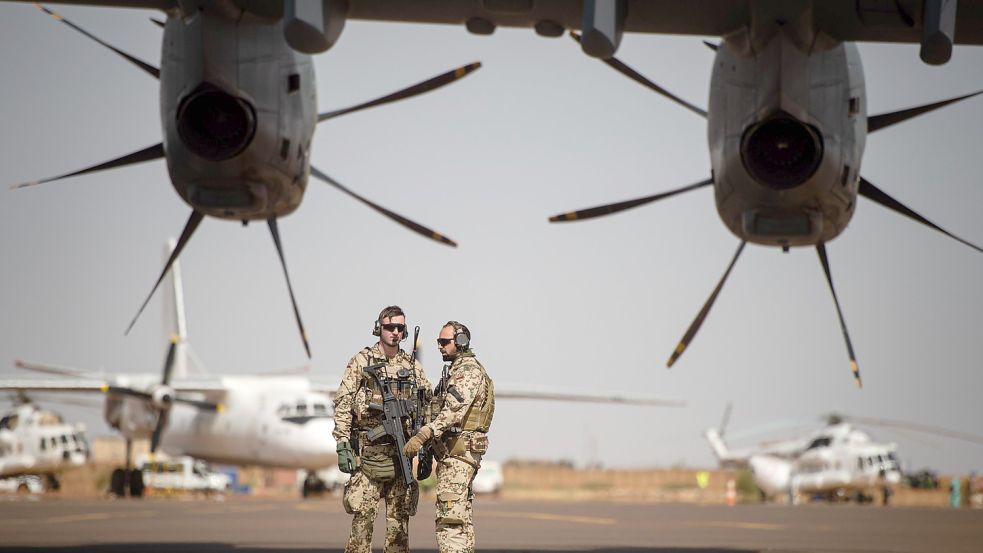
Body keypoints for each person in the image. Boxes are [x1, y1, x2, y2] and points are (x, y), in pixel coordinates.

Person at [333, 305, 432, 553]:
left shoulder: (412, 367)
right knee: (361, 529)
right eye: (390, 327)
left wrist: (426, 448)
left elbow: (427, 406)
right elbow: (343, 403)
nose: (395, 332)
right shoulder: (361, 361)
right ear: (379, 328)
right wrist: (342, 443)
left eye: (400, 328)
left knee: (399, 529)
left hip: (401, 457)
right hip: (368, 457)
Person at [404, 321, 495, 553]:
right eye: (438, 342)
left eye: (445, 342)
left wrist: (425, 434)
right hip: (453, 455)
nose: (440, 347)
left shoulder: (468, 372)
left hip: (459, 456)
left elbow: (453, 411)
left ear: (461, 342)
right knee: (460, 520)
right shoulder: (455, 370)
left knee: (449, 522)